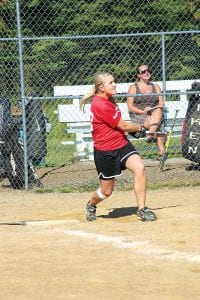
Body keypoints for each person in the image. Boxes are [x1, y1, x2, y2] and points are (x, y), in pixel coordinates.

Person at [80, 71, 157, 222]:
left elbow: (118, 126)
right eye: (111, 83)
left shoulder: (108, 99)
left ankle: (141, 208)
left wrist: (133, 131)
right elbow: (123, 125)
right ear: (101, 87)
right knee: (106, 191)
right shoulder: (100, 104)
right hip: (106, 151)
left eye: (114, 81)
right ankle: (91, 204)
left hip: (122, 145)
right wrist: (141, 128)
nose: (115, 84)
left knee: (140, 168)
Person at [127, 64, 165, 159]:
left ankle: (151, 134)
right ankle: (162, 152)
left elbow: (161, 103)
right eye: (143, 72)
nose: (147, 72)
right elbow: (130, 107)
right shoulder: (134, 87)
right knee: (157, 124)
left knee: (158, 109)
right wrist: (143, 112)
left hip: (154, 114)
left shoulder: (156, 86)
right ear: (139, 75)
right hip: (139, 115)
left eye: (148, 70)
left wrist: (151, 109)